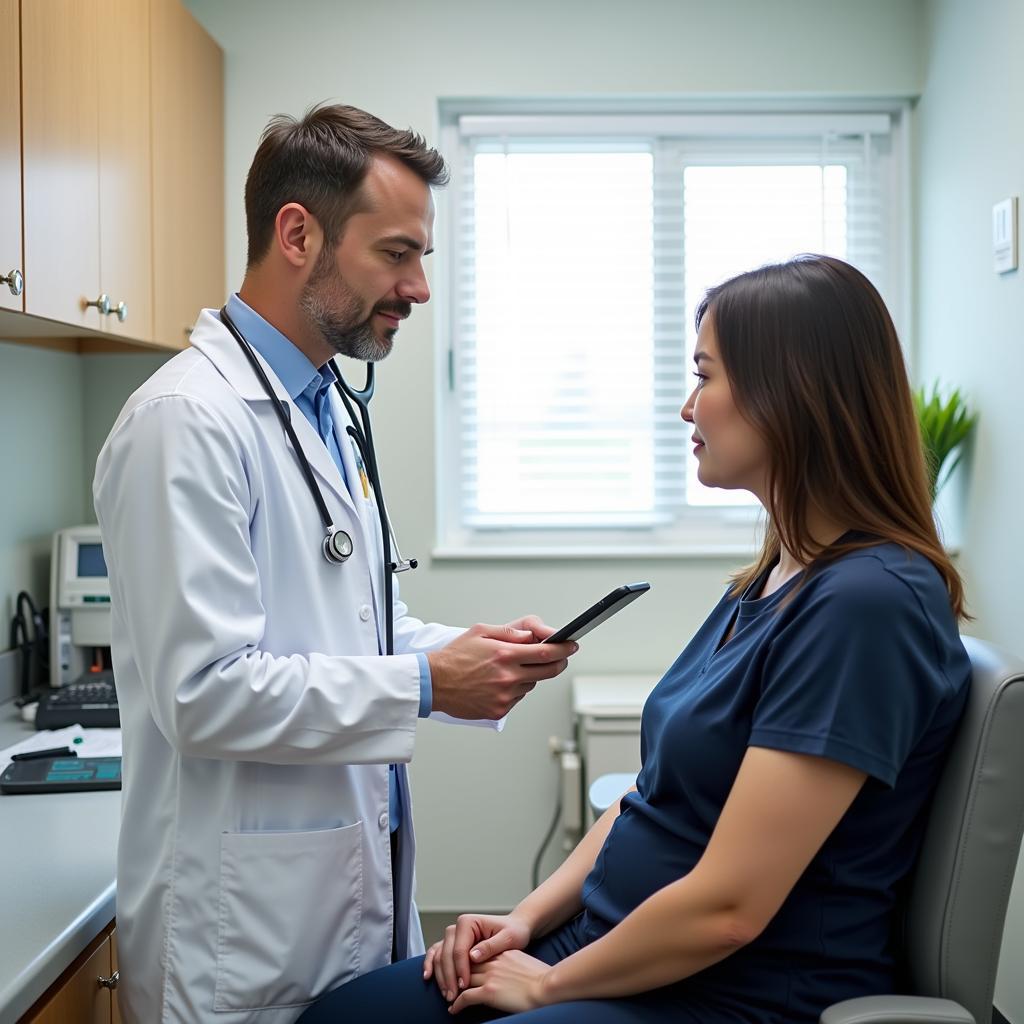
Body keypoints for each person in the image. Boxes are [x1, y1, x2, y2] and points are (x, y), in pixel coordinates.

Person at [298, 254, 972, 1024]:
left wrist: (548, 985)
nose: (689, 410)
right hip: (610, 945)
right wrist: (524, 922)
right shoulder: (769, 582)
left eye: (706, 377)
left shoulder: (868, 604)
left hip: (730, 990)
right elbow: (646, 800)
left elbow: (731, 908)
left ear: (791, 395)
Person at [92, 103, 577, 1024]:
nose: (420, 287)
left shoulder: (321, 408)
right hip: (240, 941)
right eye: (397, 254)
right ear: (297, 233)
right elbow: (205, 692)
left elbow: (347, 627)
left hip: (338, 908)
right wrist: (429, 684)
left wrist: (470, 652)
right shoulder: (184, 422)